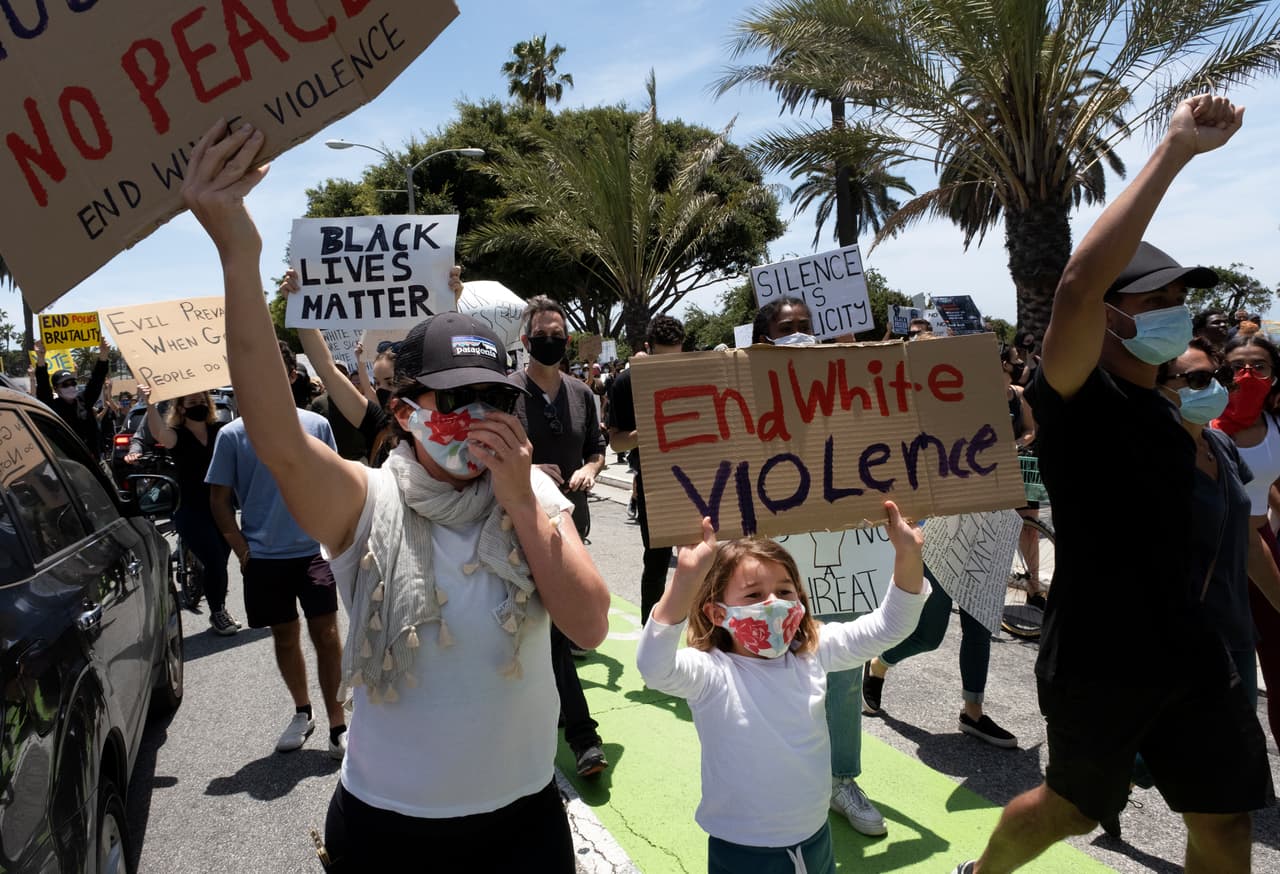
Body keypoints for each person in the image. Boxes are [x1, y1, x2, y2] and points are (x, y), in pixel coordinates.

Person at [181, 118, 610, 870]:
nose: (472, 417)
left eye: (490, 397)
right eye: (450, 398)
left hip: (523, 827)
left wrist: (522, 501)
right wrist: (238, 256)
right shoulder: (365, 500)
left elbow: (590, 622)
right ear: (405, 412)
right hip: (388, 833)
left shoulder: (536, 500)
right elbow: (278, 439)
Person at [955, 94, 1272, 874]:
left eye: (1178, 299)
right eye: (1153, 301)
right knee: (1071, 807)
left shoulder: (1183, 420)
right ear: (1112, 319)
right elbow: (1072, 291)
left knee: (1226, 826)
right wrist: (1173, 151)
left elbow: (1233, 537)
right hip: (1103, 657)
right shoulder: (1079, 400)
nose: (1175, 312)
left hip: (1202, 659)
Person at [636, 505, 930, 874]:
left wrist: (907, 553)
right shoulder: (712, 672)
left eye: (784, 590)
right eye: (753, 595)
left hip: (816, 839)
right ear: (717, 613)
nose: (772, 604)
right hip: (743, 851)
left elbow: (889, 626)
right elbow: (653, 668)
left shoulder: (812, 653)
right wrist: (686, 578)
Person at [752, 295, 888, 835]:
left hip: (838, 556)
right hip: (774, 557)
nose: (803, 335)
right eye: (789, 328)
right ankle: (772, 771)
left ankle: (839, 780)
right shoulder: (743, 392)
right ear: (765, 340)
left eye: (809, 327)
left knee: (844, 671)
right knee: (767, 665)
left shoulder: (841, 391)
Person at [512, 294, 610, 778]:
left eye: (558, 334)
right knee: (550, 631)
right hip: (520, 527)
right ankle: (583, 736)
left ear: (567, 340)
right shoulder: (505, 391)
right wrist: (529, 470)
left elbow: (597, 449)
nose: (550, 341)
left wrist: (591, 469)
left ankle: (544, 713)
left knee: (548, 631)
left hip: (572, 524)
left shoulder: (581, 393)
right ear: (526, 340)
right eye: (541, 335)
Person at [1210, 332, 1280, 748]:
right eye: (1237, 368)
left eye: (1260, 367)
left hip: (1261, 544)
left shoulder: (1275, 426)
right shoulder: (1204, 427)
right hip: (1217, 557)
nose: (1248, 375)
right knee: (1224, 671)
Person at [141, 384, 238, 634]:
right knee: (215, 560)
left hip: (221, 508)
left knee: (220, 562)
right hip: (192, 511)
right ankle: (218, 613)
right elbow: (158, 433)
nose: (198, 405)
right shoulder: (177, 434)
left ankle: (218, 605)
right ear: (181, 409)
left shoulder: (219, 431)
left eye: (202, 401)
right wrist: (150, 403)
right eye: (192, 402)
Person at [607, 315, 686, 624]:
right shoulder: (626, 382)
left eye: (675, 359)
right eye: (661, 360)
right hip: (655, 486)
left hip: (701, 481)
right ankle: (650, 635)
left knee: (706, 562)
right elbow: (616, 443)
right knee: (656, 564)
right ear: (648, 349)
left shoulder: (695, 374)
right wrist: (650, 430)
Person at [34, 338, 110, 452]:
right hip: (70, 465)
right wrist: (40, 359)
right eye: (65, 385)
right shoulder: (53, 407)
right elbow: (43, 386)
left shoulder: (84, 400)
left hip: (94, 461)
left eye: (73, 383)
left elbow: (97, 380)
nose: (70, 387)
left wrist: (103, 355)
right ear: (56, 389)